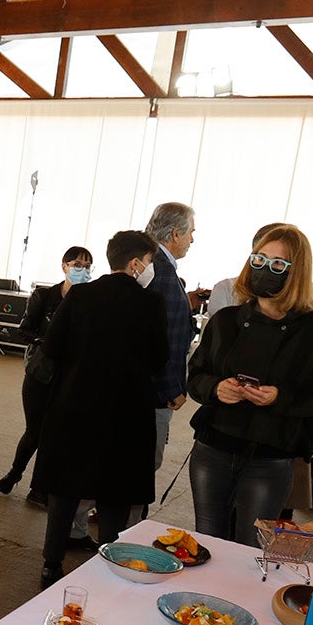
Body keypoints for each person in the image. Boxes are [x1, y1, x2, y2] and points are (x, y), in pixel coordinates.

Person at [185, 224, 313, 545]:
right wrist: (216, 389)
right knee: (208, 541)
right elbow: (196, 377)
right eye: (259, 260)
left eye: (278, 264)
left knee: (249, 548)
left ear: (296, 273)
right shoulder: (225, 321)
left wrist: (279, 398)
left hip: (270, 457)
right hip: (214, 448)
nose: (265, 269)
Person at [33, 233, 168, 586]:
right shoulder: (151, 303)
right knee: (116, 492)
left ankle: (51, 563)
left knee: (65, 489)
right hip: (126, 412)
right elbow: (160, 359)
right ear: (137, 263)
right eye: (150, 262)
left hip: (74, 405)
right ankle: (108, 560)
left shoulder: (80, 295)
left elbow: (51, 345)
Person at [0, 246, 93, 503]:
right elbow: (24, 329)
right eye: (76, 264)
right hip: (40, 373)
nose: (81, 270)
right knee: (35, 431)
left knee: (57, 435)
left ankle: (39, 489)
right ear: (64, 266)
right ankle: (14, 474)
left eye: (86, 266)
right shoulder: (44, 296)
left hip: (71, 378)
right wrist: (45, 341)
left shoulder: (91, 300)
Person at [144, 201, 207, 470]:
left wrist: (186, 303)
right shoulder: (163, 272)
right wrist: (173, 389)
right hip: (154, 391)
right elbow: (162, 338)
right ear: (175, 235)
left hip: (147, 386)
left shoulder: (152, 264)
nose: (193, 239)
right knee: (144, 463)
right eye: (191, 232)